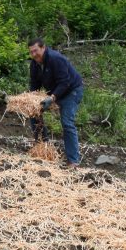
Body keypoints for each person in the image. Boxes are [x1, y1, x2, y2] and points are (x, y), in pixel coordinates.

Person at [27, 38, 84, 169]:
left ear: (43, 47)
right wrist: (31, 99)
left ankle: (73, 161)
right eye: (31, 52)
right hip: (55, 92)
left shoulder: (56, 59)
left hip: (71, 90)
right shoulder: (35, 64)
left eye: (36, 51)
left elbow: (65, 82)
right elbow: (34, 84)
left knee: (67, 122)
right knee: (33, 112)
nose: (34, 54)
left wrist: (52, 98)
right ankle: (43, 147)